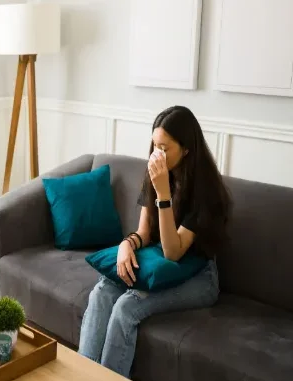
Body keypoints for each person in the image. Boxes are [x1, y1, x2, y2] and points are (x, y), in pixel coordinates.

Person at [77, 105, 232, 378]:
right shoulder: (157, 173)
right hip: (159, 262)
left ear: (186, 150)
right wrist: (127, 244)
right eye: (154, 145)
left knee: (127, 307)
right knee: (102, 292)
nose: (156, 154)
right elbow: (145, 233)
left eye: (164, 147)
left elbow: (173, 252)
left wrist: (163, 194)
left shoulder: (205, 192)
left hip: (199, 277)